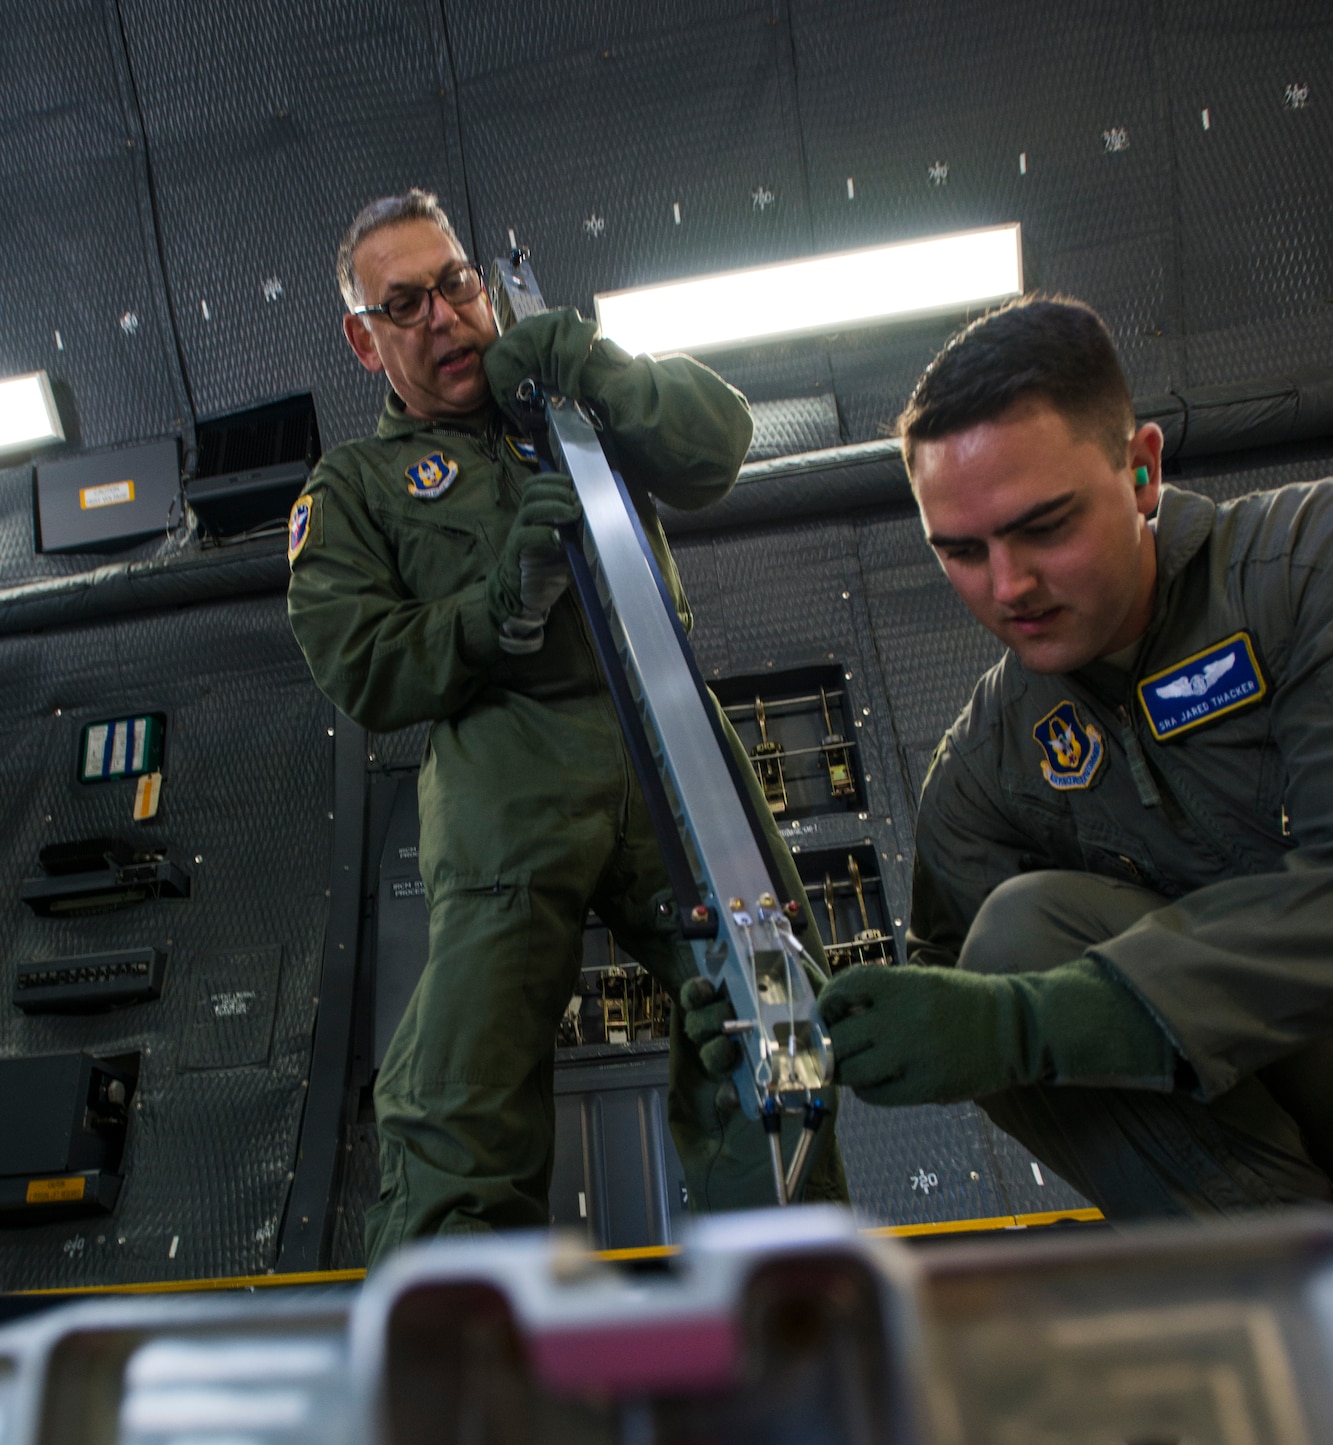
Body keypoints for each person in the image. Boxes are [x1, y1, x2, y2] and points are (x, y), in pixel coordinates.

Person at [286, 188, 843, 1259]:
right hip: (506, 765)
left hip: (673, 739)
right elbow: (362, 667)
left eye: (455, 283)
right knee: (467, 1077)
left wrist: (589, 364)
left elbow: (715, 447)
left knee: (769, 1016)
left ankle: (780, 1298)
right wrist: (498, 605)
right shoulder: (354, 487)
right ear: (365, 340)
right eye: (405, 305)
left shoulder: (573, 410)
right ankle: (459, 1350)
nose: (445, 316)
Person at [689, 295, 1333, 1220]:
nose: (1008, 586)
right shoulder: (992, 761)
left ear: (1141, 469)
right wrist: (796, 1020)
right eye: (960, 551)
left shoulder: (1301, 571)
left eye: (1044, 527)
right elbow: (947, 990)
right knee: (1013, 938)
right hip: (1277, 1170)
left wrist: (1032, 1024)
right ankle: (1276, 1272)